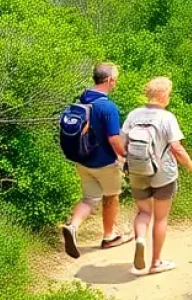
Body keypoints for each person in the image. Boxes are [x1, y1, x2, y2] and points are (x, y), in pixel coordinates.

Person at [122, 76, 192, 276]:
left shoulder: (134, 114)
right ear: (162, 96)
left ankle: (140, 240)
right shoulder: (167, 118)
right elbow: (177, 149)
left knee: (143, 213)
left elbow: (122, 141)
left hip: (137, 172)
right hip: (163, 174)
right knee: (160, 219)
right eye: (169, 93)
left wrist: (124, 164)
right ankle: (156, 262)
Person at [61, 63, 129, 258]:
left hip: (82, 160)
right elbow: (114, 139)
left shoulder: (81, 98)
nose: (115, 83)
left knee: (89, 198)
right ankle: (109, 236)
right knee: (111, 197)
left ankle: (73, 227)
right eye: (115, 79)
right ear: (109, 80)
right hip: (104, 163)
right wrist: (126, 156)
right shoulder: (108, 107)